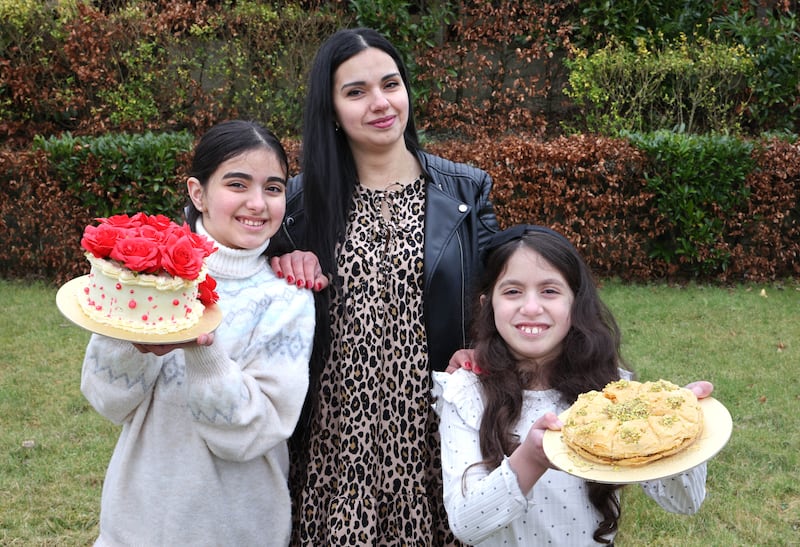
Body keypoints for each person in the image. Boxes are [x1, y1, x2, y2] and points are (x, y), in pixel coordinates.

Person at [267, 28, 500, 545]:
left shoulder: (465, 190)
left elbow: (502, 292)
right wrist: (283, 257)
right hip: (334, 443)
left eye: (390, 84)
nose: (380, 103)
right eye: (355, 92)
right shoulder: (297, 204)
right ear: (330, 109)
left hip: (433, 435)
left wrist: (482, 346)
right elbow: (224, 249)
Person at [80, 120, 315, 546]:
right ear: (198, 193)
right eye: (237, 184)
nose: (257, 203)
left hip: (238, 527)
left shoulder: (287, 300)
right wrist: (130, 337)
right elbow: (108, 398)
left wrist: (203, 352)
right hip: (136, 523)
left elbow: (254, 431)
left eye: (274, 188)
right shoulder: (149, 278)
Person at [432, 224, 712, 546]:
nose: (532, 307)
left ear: (575, 303)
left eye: (550, 291)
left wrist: (678, 431)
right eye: (512, 291)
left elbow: (684, 502)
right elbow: (466, 523)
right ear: (488, 304)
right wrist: (531, 459)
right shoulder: (466, 394)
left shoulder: (612, 393)